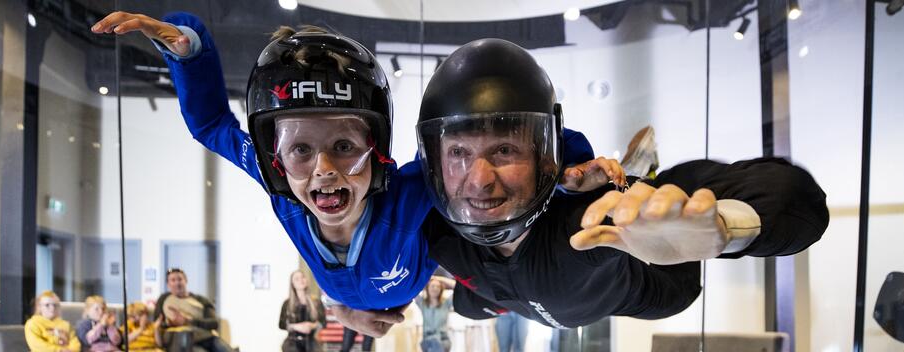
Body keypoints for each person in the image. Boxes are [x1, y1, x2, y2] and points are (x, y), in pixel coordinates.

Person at [91, 11, 618, 337]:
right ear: (276, 158)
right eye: (301, 151)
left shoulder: (413, 190)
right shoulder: (278, 182)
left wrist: (571, 163)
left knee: (479, 293)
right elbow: (210, 123)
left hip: (437, 277)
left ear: (378, 149)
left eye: (344, 146)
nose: (323, 171)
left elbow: (511, 162)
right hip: (361, 299)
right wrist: (189, 45)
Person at [415, 38, 829, 329]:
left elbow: (799, 201)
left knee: (652, 199)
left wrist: (723, 227)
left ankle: (641, 173)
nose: (480, 179)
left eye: (505, 150)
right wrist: (349, 310)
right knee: (467, 306)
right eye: (458, 153)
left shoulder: (595, 215)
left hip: (649, 288)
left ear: (546, 157)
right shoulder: (429, 228)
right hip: (503, 297)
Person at [154, 268, 231, 352]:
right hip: (181, 340)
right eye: (173, 280)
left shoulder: (201, 300)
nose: (177, 283)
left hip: (207, 338)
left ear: (186, 281)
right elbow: (156, 322)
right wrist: (170, 323)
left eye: (180, 279)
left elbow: (214, 323)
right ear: (168, 284)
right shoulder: (163, 299)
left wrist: (189, 321)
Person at [280, 270, 326, 352]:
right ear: (293, 284)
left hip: (312, 343)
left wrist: (311, 326)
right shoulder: (287, 303)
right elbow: (282, 324)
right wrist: (297, 326)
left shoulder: (317, 302)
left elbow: (323, 323)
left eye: (303, 277)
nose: (301, 280)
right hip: (292, 344)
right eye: (297, 279)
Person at [415, 277, 454, 352]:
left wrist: (439, 278)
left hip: (443, 342)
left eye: (438, 286)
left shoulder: (446, 303)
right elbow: (413, 289)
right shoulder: (422, 303)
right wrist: (426, 278)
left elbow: (457, 287)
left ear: (441, 289)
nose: (435, 288)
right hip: (427, 342)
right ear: (427, 288)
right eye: (432, 286)